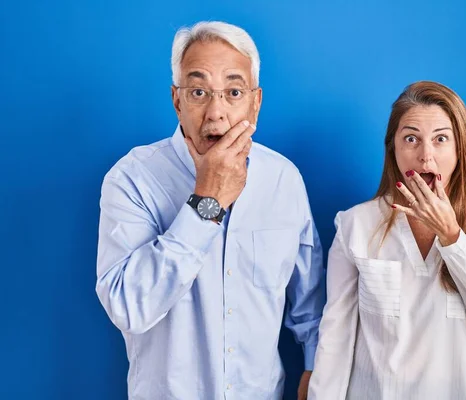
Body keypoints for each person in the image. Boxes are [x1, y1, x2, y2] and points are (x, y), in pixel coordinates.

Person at [96, 21, 325, 400]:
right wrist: (207, 202)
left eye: (234, 92)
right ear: (177, 100)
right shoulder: (132, 178)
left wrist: (316, 369)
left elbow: (311, 302)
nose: (216, 113)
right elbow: (128, 307)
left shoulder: (284, 179)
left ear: (256, 102)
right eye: (199, 91)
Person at [308, 81, 466, 399]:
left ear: (458, 148)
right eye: (411, 139)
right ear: (392, 147)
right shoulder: (356, 224)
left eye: (441, 139)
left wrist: (453, 238)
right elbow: (335, 340)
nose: (426, 157)